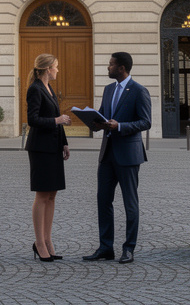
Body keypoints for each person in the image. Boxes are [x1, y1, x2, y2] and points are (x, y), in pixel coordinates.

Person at [82, 52, 151, 264]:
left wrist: (119, 126)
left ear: (121, 68)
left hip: (128, 155)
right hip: (107, 154)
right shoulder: (108, 89)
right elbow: (103, 115)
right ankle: (105, 248)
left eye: (111, 64)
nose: (108, 68)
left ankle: (129, 248)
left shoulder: (139, 91)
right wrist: (93, 121)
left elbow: (145, 122)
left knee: (130, 203)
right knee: (103, 200)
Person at [24, 53, 70, 261]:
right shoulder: (35, 89)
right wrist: (57, 120)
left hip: (53, 146)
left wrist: (64, 142)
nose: (58, 70)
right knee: (42, 196)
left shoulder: (49, 89)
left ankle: (48, 239)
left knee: (52, 195)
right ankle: (39, 242)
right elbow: (32, 119)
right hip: (40, 148)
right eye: (56, 67)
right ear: (47, 68)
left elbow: (56, 118)